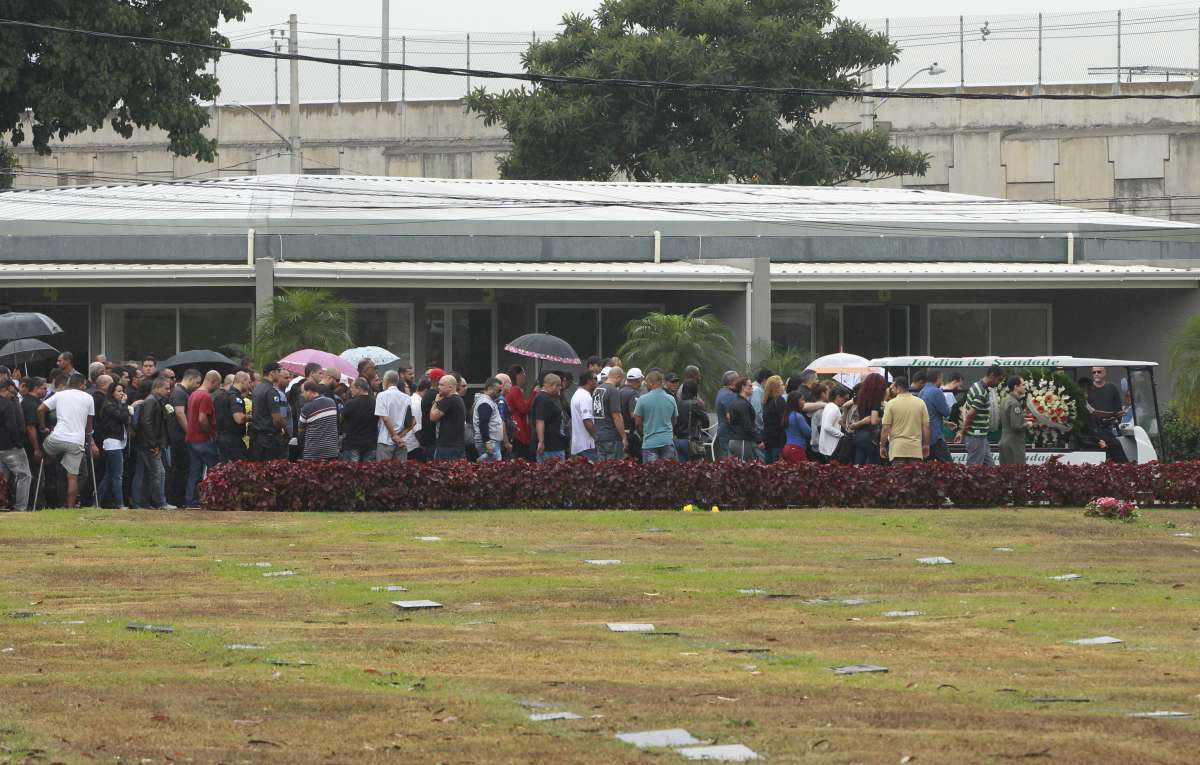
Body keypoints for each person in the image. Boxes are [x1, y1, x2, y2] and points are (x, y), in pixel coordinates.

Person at [37, 372, 94, 509]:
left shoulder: (60, 395)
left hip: (57, 439)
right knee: (72, 477)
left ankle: (46, 458)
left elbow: (40, 409)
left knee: (44, 456)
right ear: (81, 384)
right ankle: (68, 507)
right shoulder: (88, 398)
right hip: (76, 441)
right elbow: (89, 424)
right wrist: (88, 436)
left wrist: (43, 427)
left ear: (69, 383)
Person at [133, 375, 174, 510]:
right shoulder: (151, 401)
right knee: (159, 472)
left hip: (148, 443)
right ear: (157, 388)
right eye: (166, 388)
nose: (169, 391)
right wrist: (154, 444)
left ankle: (145, 502)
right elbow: (147, 423)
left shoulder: (156, 401)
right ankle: (160, 502)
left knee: (149, 474)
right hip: (148, 444)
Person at [183, 370, 221, 507]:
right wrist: (211, 433)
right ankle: (214, 498)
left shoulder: (193, 394)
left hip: (191, 438)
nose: (218, 387)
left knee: (195, 470)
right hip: (203, 439)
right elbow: (202, 418)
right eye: (218, 384)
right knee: (215, 470)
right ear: (214, 381)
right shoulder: (205, 396)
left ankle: (190, 500)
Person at [95, 381, 130, 509]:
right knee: (117, 475)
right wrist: (124, 404)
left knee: (109, 474)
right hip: (112, 443)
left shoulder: (115, 405)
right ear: (112, 392)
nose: (122, 394)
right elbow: (122, 417)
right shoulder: (109, 405)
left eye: (122, 391)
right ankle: (120, 503)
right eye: (119, 391)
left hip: (118, 442)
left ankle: (97, 501)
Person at [880, 376, 930, 465]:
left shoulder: (891, 404)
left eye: (892, 388)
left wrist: (882, 446)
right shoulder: (920, 402)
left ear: (898, 388)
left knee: (899, 477)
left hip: (897, 449)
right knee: (915, 477)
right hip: (915, 449)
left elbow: (885, 428)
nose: (891, 390)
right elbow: (926, 426)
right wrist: (926, 444)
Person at [166, 369, 198, 505]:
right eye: (197, 382)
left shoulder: (182, 392)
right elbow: (180, 413)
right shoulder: (179, 393)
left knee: (182, 468)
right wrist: (190, 433)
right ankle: (176, 499)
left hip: (180, 437)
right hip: (179, 438)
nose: (197, 386)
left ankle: (178, 498)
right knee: (180, 469)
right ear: (190, 379)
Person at [960, 365, 1003, 466]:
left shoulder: (975, 385)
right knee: (974, 467)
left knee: (990, 467)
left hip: (980, 436)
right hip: (977, 436)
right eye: (998, 379)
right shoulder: (982, 392)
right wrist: (962, 432)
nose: (998, 383)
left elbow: (965, 408)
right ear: (992, 375)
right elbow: (970, 414)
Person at [632, 370, 678, 462]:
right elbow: (674, 420)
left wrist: (644, 433)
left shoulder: (642, 400)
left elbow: (637, 423)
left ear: (650, 383)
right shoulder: (671, 399)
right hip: (667, 441)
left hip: (649, 443)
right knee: (669, 473)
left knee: (651, 474)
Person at [0, 381, 31, 511]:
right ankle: (20, 508)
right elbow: (11, 426)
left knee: (2, 478)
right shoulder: (7, 404)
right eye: (12, 391)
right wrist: (18, 443)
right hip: (11, 447)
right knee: (24, 476)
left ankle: (2, 505)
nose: (13, 395)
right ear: (7, 389)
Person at [1087, 366, 1128, 463]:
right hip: (1093, 431)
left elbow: (1118, 410)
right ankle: (1126, 470)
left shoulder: (1112, 388)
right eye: (1094, 372)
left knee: (1116, 447)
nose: (1096, 374)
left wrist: (1116, 420)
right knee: (1115, 446)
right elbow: (1091, 413)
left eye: (1099, 371)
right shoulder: (1088, 390)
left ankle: (1124, 470)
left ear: (1105, 372)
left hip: (1108, 429)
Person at [249, 363, 287, 461]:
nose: (279, 374)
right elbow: (277, 418)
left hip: (258, 438)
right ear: (272, 373)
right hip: (270, 440)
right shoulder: (270, 391)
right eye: (278, 372)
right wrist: (286, 430)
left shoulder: (257, 388)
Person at [847, 372, 886, 465]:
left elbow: (845, 405)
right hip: (870, 437)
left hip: (859, 435)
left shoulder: (860, 397)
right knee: (873, 467)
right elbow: (873, 420)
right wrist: (883, 418)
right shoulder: (876, 400)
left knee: (858, 465)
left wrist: (847, 419)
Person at [375, 370, 414, 461]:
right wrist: (399, 436)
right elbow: (413, 422)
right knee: (400, 473)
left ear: (386, 380)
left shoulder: (381, 395)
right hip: (401, 440)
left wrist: (394, 435)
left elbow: (385, 418)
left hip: (385, 441)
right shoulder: (407, 398)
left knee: (383, 472)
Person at [213, 371, 251, 463]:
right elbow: (238, 418)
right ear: (243, 381)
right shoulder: (236, 398)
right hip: (233, 441)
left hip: (220, 438)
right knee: (239, 470)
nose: (250, 385)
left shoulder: (219, 397)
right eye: (249, 382)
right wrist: (250, 417)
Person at [298, 381, 340, 460]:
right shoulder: (332, 402)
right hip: (332, 450)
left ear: (309, 391)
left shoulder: (307, 407)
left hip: (313, 452)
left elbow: (300, 429)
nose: (302, 395)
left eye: (303, 392)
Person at [592, 366, 627, 461]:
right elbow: (617, 416)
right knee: (613, 469)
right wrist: (624, 437)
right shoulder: (613, 390)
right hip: (611, 437)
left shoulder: (597, 390)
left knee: (602, 469)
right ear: (618, 376)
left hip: (599, 435)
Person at [429, 373, 467, 460]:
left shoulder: (449, 400)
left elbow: (432, 417)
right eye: (439, 384)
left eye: (442, 385)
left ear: (450, 387)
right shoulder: (457, 398)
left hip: (448, 447)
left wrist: (436, 401)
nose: (438, 387)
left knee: (442, 472)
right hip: (456, 445)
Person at [339, 377, 377, 462]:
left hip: (352, 444)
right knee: (368, 472)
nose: (350, 390)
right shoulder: (375, 402)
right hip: (371, 444)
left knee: (352, 473)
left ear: (359, 388)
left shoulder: (350, 403)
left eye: (352, 387)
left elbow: (340, 419)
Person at [919, 369, 953, 462]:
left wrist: (946, 423)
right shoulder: (937, 392)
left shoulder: (922, 391)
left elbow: (929, 414)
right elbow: (946, 412)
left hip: (924, 435)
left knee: (926, 466)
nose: (942, 381)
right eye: (941, 378)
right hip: (935, 436)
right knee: (948, 465)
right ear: (937, 378)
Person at [533, 373, 568, 462]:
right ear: (552, 385)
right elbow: (540, 420)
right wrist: (541, 441)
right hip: (550, 446)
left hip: (556, 443)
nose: (560, 388)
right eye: (558, 385)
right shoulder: (542, 398)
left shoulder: (550, 397)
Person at [726, 376, 762, 461]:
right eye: (750, 386)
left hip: (734, 441)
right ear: (743, 387)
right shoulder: (742, 404)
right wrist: (759, 440)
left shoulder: (736, 402)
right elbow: (747, 425)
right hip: (741, 441)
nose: (752, 388)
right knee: (745, 470)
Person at [999, 376, 1030, 465]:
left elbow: (1004, 420)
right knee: (1017, 473)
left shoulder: (1004, 400)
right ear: (1016, 387)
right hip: (1014, 444)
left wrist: (1023, 418)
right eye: (1023, 385)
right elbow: (1016, 426)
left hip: (1004, 440)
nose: (1025, 387)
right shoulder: (1015, 403)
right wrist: (1028, 424)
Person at [816, 383, 851, 463]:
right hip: (831, 448)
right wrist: (842, 435)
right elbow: (827, 426)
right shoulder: (834, 408)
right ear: (838, 397)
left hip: (826, 447)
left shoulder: (829, 406)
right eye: (845, 399)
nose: (846, 402)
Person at [473, 377, 505, 462]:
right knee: (493, 469)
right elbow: (483, 422)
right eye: (498, 390)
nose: (500, 393)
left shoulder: (489, 401)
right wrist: (487, 441)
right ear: (490, 388)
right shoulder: (485, 402)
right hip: (490, 441)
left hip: (492, 440)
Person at [674, 379, 707, 461]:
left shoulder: (677, 403)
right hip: (691, 441)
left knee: (681, 468)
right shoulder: (695, 404)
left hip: (677, 441)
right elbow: (706, 422)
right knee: (694, 469)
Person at [417, 368, 447, 459]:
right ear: (437, 379)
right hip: (433, 437)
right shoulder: (435, 395)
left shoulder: (429, 394)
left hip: (429, 436)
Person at [569, 372, 598, 461]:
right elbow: (587, 421)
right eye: (595, 378)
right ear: (589, 381)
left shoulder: (577, 394)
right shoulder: (585, 397)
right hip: (587, 445)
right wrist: (597, 438)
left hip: (579, 444)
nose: (597, 381)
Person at [760, 375, 786, 464]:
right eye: (781, 384)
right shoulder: (779, 401)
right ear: (776, 387)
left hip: (768, 440)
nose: (784, 386)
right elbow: (783, 422)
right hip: (777, 441)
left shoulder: (766, 401)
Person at [619, 368, 644, 461]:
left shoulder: (619, 390)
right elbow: (634, 415)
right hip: (630, 433)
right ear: (637, 380)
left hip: (620, 433)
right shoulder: (633, 393)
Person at [714, 370, 740, 458]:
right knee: (730, 462)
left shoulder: (721, 392)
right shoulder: (729, 395)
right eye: (738, 380)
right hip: (729, 434)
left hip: (724, 432)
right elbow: (731, 417)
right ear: (732, 382)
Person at [782, 393, 812, 463]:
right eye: (802, 400)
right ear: (796, 401)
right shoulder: (798, 416)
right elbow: (808, 432)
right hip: (797, 448)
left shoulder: (787, 415)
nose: (804, 402)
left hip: (787, 447)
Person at [408, 377, 430, 461]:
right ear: (426, 390)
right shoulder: (417, 403)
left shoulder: (414, 399)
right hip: (414, 445)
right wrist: (423, 445)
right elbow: (416, 426)